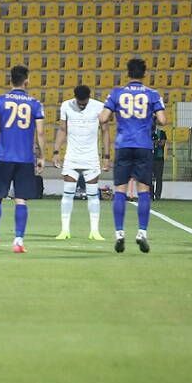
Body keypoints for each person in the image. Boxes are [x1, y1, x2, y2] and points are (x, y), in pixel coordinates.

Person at [99, 58, 167, 254]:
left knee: (120, 190)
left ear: (127, 73)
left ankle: (119, 233)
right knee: (143, 190)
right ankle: (142, 233)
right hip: (144, 146)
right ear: (144, 74)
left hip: (123, 145)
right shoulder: (152, 94)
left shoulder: (117, 93)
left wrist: (115, 114)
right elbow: (163, 120)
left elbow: (103, 118)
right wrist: (150, 115)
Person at [0, 65, 46, 254]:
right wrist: (42, 156)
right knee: (21, 200)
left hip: (3, 156)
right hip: (25, 158)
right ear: (26, 81)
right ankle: (18, 240)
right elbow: (40, 133)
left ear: (10, 80)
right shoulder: (35, 103)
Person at [53, 84, 110, 240]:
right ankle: (65, 230)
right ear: (75, 98)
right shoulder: (66, 105)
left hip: (91, 158)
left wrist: (106, 156)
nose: (82, 105)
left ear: (89, 97)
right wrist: (56, 151)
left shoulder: (99, 107)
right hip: (72, 157)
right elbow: (62, 129)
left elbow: (105, 131)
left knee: (93, 195)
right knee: (68, 193)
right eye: (80, 103)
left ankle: (95, 231)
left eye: (84, 103)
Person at [152, 126, 168, 200]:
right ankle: (150, 194)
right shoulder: (146, 132)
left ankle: (157, 195)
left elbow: (162, 143)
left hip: (158, 159)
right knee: (149, 178)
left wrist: (155, 141)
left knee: (158, 178)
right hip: (149, 158)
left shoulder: (162, 133)